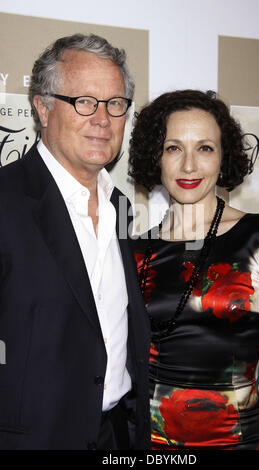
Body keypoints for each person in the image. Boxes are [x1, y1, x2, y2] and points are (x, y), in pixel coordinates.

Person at [0, 33, 150, 450]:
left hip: (119, 436)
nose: (102, 119)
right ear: (42, 107)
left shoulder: (121, 206)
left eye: (115, 104)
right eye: (84, 101)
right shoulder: (6, 199)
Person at [129, 89, 259, 450]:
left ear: (223, 158)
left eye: (204, 148)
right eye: (173, 148)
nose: (189, 165)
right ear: (155, 158)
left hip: (237, 442)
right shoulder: (135, 252)